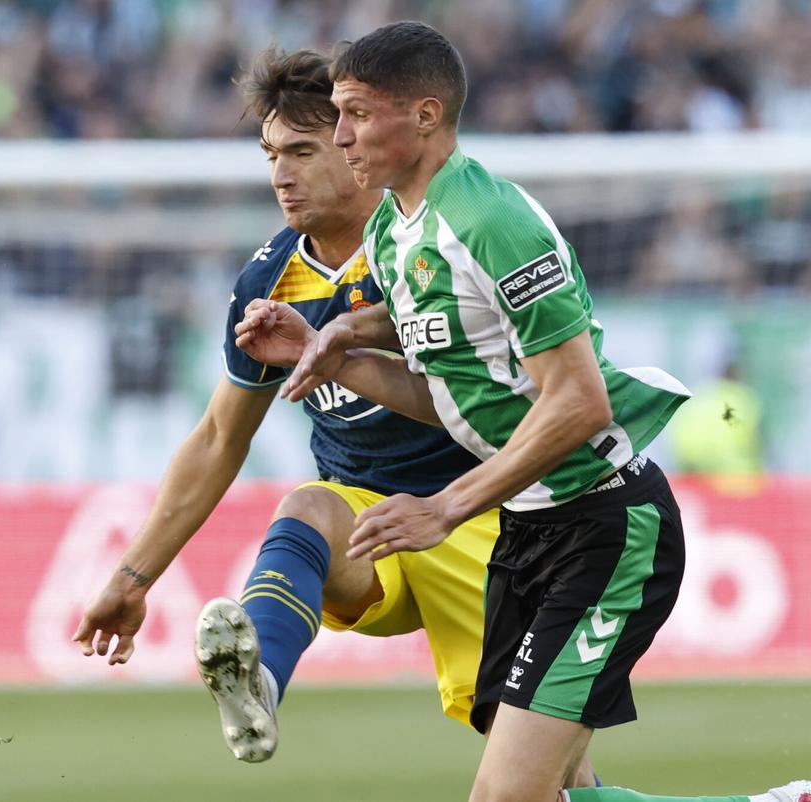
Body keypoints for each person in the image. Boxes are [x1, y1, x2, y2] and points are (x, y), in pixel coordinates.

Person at [233, 20, 808, 802]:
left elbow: (578, 401)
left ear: (426, 116)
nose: (341, 134)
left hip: (604, 525)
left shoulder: (492, 219)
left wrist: (445, 507)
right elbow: (448, 399)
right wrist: (335, 353)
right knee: (556, 792)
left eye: (358, 114)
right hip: (525, 532)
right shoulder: (400, 234)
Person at [72, 47, 521, 772]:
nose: (282, 172)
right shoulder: (269, 279)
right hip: (372, 531)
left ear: (355, 144)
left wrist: (340, 355)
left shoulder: (432, 250)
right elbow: (219, 436)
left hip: (491, 519)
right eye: (271, 153)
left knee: (544, 786)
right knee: (307, 508)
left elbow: (490, 409)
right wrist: (132, 581)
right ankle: (262, 682)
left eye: (303, 150)